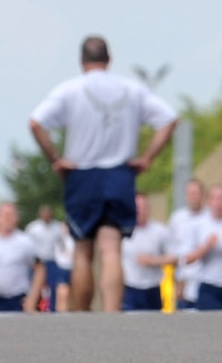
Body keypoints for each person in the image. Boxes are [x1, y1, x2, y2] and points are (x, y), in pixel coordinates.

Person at [28, 35, 178, 313]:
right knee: (112, 249)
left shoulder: (70, 90)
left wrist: (56, 159)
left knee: (83, 251)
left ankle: (82, 315)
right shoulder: (132, 89)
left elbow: (36, 123)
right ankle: (111, 314)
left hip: (83, 174)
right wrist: (146, 158)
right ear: (109, 60)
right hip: (119, 174)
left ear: (81, 60)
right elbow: (169, 119)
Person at [120, 194, 175, 313]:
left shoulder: (160, 231)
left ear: (148, 209)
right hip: (130, 287)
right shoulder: (123, 231)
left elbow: (174, 258)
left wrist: (153, 261)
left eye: (143, 207)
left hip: (153, 288)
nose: (140, 211)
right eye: (137, 207)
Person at [24, 206, 71, 314]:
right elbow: (27, 244)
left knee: (53, 285)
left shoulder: (57, 227)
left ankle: (52, 308)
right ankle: (34, 306)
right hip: (37, 260)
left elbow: (62, 242)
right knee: (34, 284)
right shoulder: (33, 227)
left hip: (51, 260)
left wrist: (65, 253)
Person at [170, 178, 208, 311]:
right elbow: (174, 252)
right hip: (184, 281)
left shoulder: (210, 218)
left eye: (196, 193)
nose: (193, 197)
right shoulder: (177, 219)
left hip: (205, 281)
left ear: (203, 195)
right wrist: (177, 281)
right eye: (190, 193)